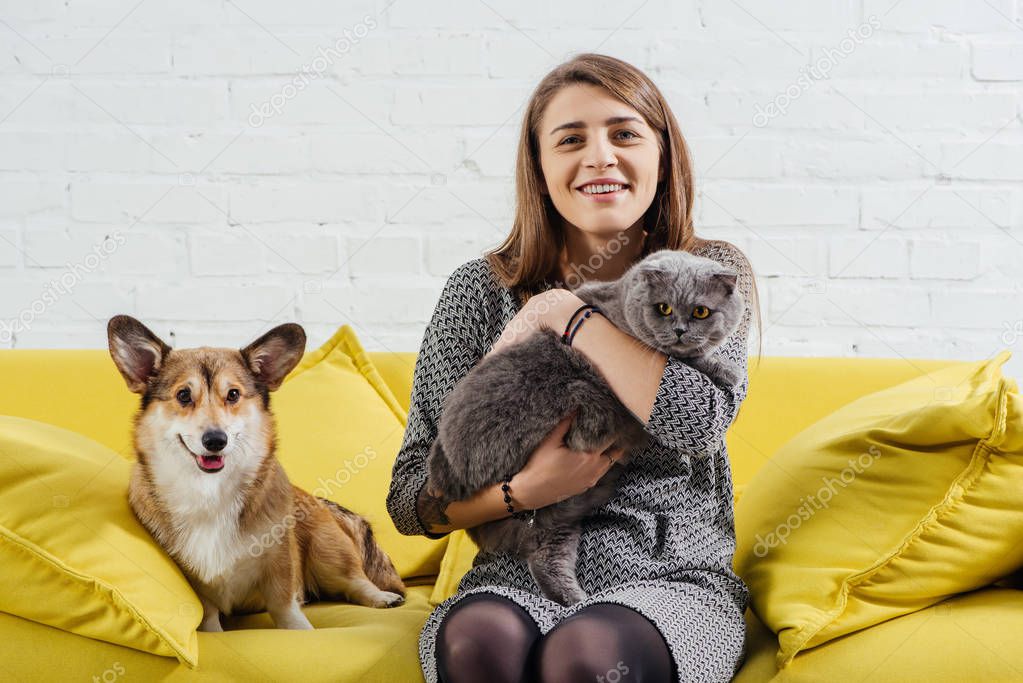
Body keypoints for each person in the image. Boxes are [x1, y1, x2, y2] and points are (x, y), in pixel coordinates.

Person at [385, 52, 763, 683]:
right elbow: (409, 502)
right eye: (570, 140)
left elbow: (697, 423)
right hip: (517, 569)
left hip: (668, 577)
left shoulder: (707, 276)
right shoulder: (480, 292)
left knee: (586, 657)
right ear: (539, 168)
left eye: (624, 134)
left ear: (662, 155)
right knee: (479, 643)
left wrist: (568, 313)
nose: (599, 157)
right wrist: (526, 491)